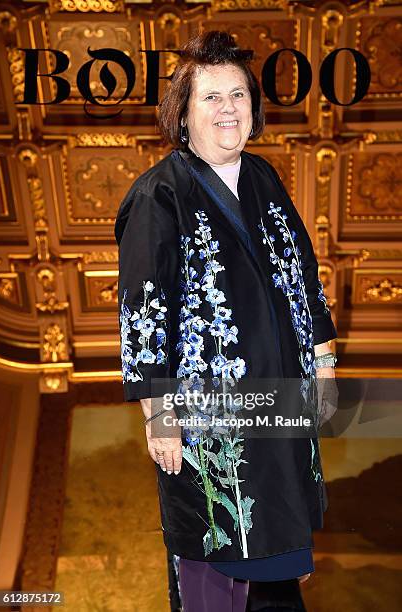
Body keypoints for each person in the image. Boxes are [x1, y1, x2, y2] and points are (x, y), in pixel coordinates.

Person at [115, 30, 338, 612]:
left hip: (280, 409)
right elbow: (143, 307)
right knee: (214, 570)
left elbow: (303, 268)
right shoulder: (157, 195)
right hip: (209, 422)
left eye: (238, 95)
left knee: (279, 573)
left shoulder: (263, 176)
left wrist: (323, 361)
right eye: (211, 97)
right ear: (182, 114)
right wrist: (159, 416)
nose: (228, 109)